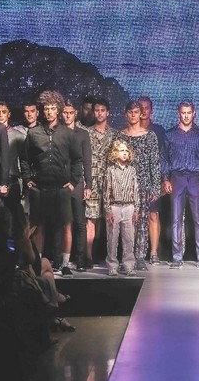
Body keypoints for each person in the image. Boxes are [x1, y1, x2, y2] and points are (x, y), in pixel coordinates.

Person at [20, 90, 83, 277]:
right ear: (42, 110)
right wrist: (27, 179)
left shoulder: (68, 134)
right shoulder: (33, 133)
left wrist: (73, 182)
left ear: (58, 110)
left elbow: (77, 159)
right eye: (46, 108)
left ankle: (64, 264)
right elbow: (24, 158)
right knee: (39, 226)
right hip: (39, 188)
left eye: (53, 108)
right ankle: (38, 263)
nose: (49, 112)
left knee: (65, 225)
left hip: (62, 188)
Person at [162, 100, 199, 270]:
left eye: (188, 113)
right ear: (179, 113)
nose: (186, 116)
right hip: (177, 178)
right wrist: (165, 179)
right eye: (183, 113)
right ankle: (177, 258)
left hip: (195, 179)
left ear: (194, 113)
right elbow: (164, 159)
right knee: (176, 219)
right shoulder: (170, 134)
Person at [117, 100, 161, 271]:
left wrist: (155, 187)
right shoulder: (120, 136)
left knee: (142, 222)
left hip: (144, 185)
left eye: (136, 112)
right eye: (131, 112)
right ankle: (127, 257)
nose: (134, 115)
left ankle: (140, 256)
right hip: (125, 186)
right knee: (127, 223)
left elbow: (154, 163)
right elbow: (115, 162)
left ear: (141, 114)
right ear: (126, 114)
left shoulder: (149, 136)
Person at [81, 98, 118, 265]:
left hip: (109, 181)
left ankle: (101, 253)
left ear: (108, 112)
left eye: (103, 110)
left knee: (107, 218)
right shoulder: (86, 133)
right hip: (91, 180)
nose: (100, 113)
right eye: (97, 110)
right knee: (91, 218)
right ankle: (88, 255)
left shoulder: (115, 134)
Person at [60, 100, 92, 271]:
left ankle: (80, 260)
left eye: (70, 113)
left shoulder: (83, 134)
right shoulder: (56, 131)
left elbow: (87, 161)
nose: (67, 116)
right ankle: (60, 261)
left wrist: (89, 185)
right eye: (65, 112)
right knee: (61, 222)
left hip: (78, 182)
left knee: (79, 222)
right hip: (59, 182)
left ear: (75, 114)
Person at [102, 139, 140, 276]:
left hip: (129, 206)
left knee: (129, 238)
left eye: (126, 151)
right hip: (115, 207)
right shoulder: (110, 171)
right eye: (121, 150)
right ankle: (112, 266)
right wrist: (108, 210)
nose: (124, 153)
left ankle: (128, 266)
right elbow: (106, 191)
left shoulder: (132, 170)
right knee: (112, 238)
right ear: (115, 153)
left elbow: (136, 190)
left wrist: (136, 209)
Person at [138, 95, 167, 265]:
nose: (143, 111)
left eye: (146, 108)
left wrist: (164, 179)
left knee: (153, 215)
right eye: (140, 108)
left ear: (151, 110)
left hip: (154, 179)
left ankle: (154, 253)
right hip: (134, 181)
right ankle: (137, 254)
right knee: (135, 218)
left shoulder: (158, 131)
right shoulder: (129, 130)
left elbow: (164, 156)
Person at [0, 101, 26, 219]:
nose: (0, 115)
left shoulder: (18, 136)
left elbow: (24, 160)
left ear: (9, 114)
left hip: (12, 181)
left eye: (4, 112)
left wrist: (24, 183)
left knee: (12, 215)